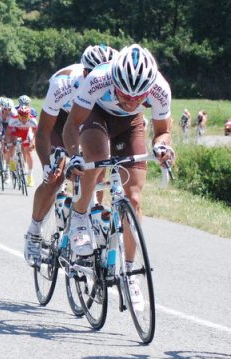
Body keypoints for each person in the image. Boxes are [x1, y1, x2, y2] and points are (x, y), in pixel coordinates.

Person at [62, 44, 175, 305]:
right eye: (125, 95)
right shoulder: (98, 78)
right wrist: (74, 154)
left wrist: (162, 146)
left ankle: (130, 272)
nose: (132, 101)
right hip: (96, 116)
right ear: (115, 82)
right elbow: (72, 124)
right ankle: (79, 216)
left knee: (133, 198)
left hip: (131, 125)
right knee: (97, 160)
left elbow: (163, 131)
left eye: (139, 97)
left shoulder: (160, 88)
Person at [23, 44, 117, 266]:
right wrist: (47, 166)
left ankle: (88, 223)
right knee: (54, 179)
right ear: (85, 73)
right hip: (61, 122)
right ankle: (34, 232)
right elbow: (44, 131)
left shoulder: (112, 88)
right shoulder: (63, 84)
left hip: (90, 121)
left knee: (97, 170)